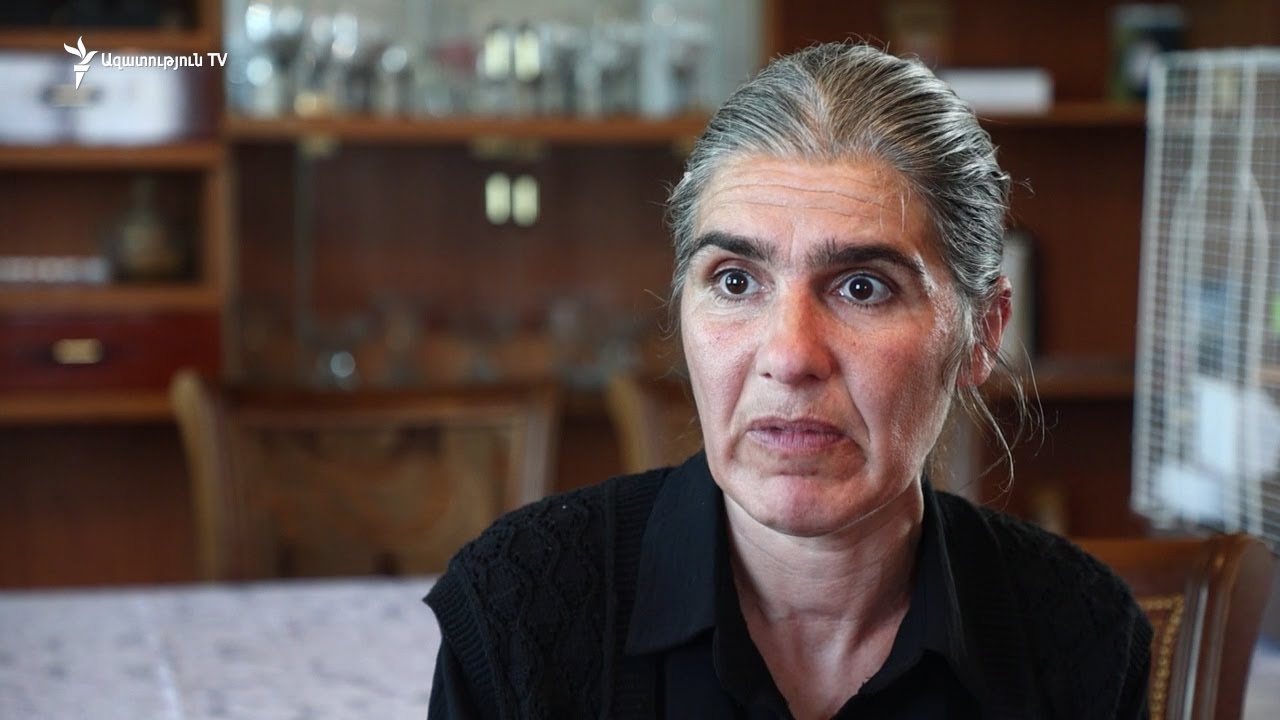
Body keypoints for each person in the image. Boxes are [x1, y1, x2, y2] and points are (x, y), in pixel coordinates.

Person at [425, 42, 1151, 719]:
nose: (791, 355)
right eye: (735, 280)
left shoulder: (1081, 635)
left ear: (982, 333)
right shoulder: (517, 610)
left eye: (863, 287)